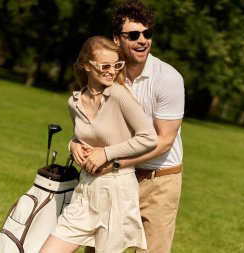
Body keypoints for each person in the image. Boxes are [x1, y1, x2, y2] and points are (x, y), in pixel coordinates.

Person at [77, 1, 185, 252]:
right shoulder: (108, 75)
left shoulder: (168, 78)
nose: (143, 40)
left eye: (147, 34)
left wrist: (115, 161)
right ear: (116, 39)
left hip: (158, 180)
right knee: (97, 247)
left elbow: (164, 140)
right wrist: (75, 144)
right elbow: (90, 123)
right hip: (115, 177)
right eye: (133, 35)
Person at [39, 36, 157, 253]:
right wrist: (73, 145)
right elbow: (85, 136)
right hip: (86, 190)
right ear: (87, 66)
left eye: (116, 65)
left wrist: (106, 153)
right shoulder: (74, 102)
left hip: (117, 192)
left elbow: (149, 137)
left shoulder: (120, 95)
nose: (112, 71)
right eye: (105, 65)